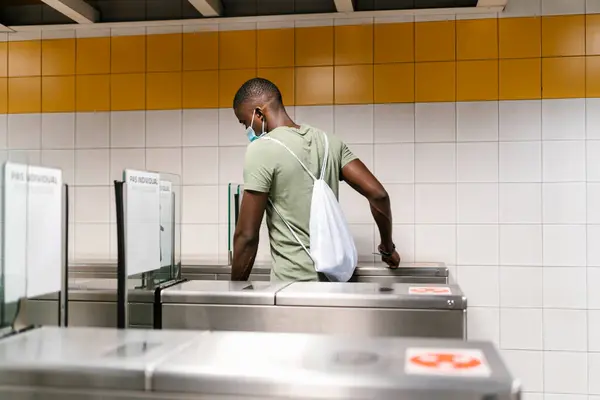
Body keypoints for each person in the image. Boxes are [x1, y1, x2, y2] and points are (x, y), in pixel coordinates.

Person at [231, 77, 400, 282]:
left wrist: (236, 291)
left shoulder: (261, 149)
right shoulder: (330, 142)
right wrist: (387, 249)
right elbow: (378, 194)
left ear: (258, 113)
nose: (248, 130)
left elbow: (246, 236)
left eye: (244, 122)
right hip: (335, 281)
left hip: (291, 287)